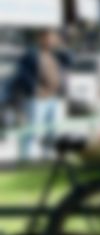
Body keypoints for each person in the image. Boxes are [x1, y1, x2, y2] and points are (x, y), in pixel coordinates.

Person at [7, 29, 71, 161]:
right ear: (40, 38)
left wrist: (61, 47)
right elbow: (22, 73)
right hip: (37, 100)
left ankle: (48, 160)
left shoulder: (57, 53)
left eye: (53, 37)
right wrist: (34, 89)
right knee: (32, 132)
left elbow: (71, 61)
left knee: (53, 132)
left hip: (55, 99)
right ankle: (25, 161)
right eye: (47, 37)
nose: (50, 40)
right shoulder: (30, 54)